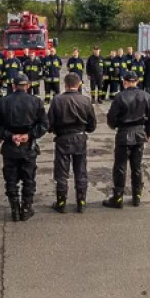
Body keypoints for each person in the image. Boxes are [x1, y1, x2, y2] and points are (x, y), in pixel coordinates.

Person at [0, 73, 48, 221]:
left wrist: (10, 136)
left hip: (11, 146)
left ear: (13, 86)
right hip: (27, 146)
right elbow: (44, 125)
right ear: (28, 86)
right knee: (28, 178)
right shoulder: (36, 102)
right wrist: (28, 135)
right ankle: (26, 207)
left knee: (11, 179)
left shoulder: (2, 102)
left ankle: (15, 209)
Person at [103, 71, 150, 209]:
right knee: (136, 166)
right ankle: (136, 196)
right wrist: (148, 133)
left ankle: (118, 197)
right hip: (139, 133)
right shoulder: (145, 96)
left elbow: (111, 118)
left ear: (124, 81)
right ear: (137, 81)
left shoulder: (120, 97)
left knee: (120, 167)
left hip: (124, 133)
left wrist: (114, 126)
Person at [47, 73, 97, 213]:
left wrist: (55, 129)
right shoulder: (85, 100)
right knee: (80, 170)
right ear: (79, 84)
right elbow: (92, 125)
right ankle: (81, 201)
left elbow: (49, 123)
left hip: (63, 138)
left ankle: (61, 202)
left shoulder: (57, 100)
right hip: (79, 138)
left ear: (65, 84)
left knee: (61, 172)